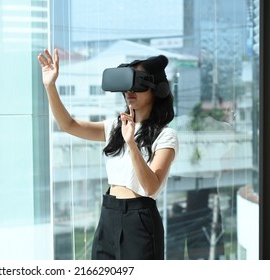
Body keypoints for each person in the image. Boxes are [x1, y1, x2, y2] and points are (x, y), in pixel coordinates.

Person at [37, 48, 178, 260]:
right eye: (126, 83)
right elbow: (68, 125)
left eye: (137, 83)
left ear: (157, 89)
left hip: (140, 219)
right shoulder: (115, 126)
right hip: (108, 213)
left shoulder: (166, 135)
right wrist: (50, 86)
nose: (130, 90)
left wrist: (131, 143)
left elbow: (151, 186)